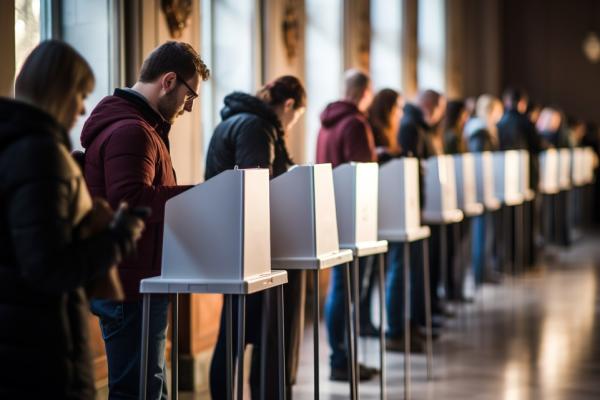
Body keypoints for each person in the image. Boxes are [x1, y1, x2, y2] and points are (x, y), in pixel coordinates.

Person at [0, 40, 145, 399]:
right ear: (59, 91)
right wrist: (118, 236)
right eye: (80, 95)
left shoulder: (17, 145)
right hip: (39, 344)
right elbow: (48, 268)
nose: (82, 109)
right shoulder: (41, 153)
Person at [80, 41, 210, 399]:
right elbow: (130, 201)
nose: (188, 106)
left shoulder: (140, 126)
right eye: (190, 96)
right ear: (169, 81)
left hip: (136, 279)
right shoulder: (132, 131)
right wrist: (198, 195)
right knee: (138, 389)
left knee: (149, 385)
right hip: (131, 285)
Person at [206, 76, 306, 399]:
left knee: (233, 333)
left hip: (234, 242)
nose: (292, 124)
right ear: (289, 105)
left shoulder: (241, 121)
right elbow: (259, 187)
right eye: (296, 116)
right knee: (246, 334)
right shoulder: (256, 128)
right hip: (251, 246)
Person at [316, 69, 378, 382]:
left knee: (340, 287)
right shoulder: (355, 123)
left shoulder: (325, 124)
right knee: (347, 289)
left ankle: (340, 357)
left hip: (330, 210)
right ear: (364, 92)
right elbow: (365, 171)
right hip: (354, 214)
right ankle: (340, 360)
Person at [465, 94, 503, 284]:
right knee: (481, 233)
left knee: (486, 233)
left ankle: (485, 270)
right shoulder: (480, 132)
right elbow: (480, 161)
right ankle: (480, 273)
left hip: (485, 188)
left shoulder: (486, 130)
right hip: (480, 188)